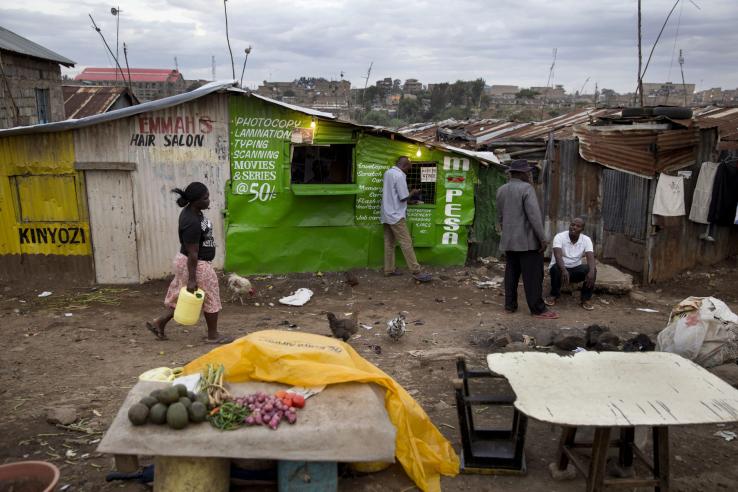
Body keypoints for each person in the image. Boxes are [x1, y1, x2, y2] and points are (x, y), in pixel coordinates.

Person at [146, 182, 231, 343]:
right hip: (196, 263)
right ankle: (213, 336)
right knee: (211, 296)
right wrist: (192, 279)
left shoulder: (194, 212)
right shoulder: (191, 221)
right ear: (195, 200)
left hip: (189, 261)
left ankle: (159, 323)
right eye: (205, 198)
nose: (209, 200)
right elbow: (193, 253)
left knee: (184, 296)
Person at [496, 160, 558, 319]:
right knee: (533, 276)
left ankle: (510, 306)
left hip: (509, 241)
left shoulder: (501, 190)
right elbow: (534, 217)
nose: (529, 174)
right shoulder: (526, 188)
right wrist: (542, 239)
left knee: (511, 274)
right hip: (527, 242)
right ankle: (538, 309)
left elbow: (500, 217)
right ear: (522, 173)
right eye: (527, 172)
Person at [381, 156, 431, 282]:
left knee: (389, 243)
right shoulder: (399, 176)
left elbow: (393, 195)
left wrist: (410, 201)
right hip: (396, 215)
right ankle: (416, 271)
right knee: (406, 243)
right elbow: (403, 197)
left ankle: (389, 269)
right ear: (404, 165)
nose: (409, 170)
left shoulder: (388, 173)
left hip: (386, 213)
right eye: (409, 168)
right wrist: (413, 192)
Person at [545, 217, 597, 310]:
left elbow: (590, 256)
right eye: (572, 225)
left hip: (575, 269)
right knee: (555, 268)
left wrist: (592, 271)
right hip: (560, 270)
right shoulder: (559, 237)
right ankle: (554, 295)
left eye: (578, 226)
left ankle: (586, 299)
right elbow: (558, 256)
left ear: (582, 229)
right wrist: (564, 270)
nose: (574, 227)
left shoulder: (586, 240)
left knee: (592, 270)